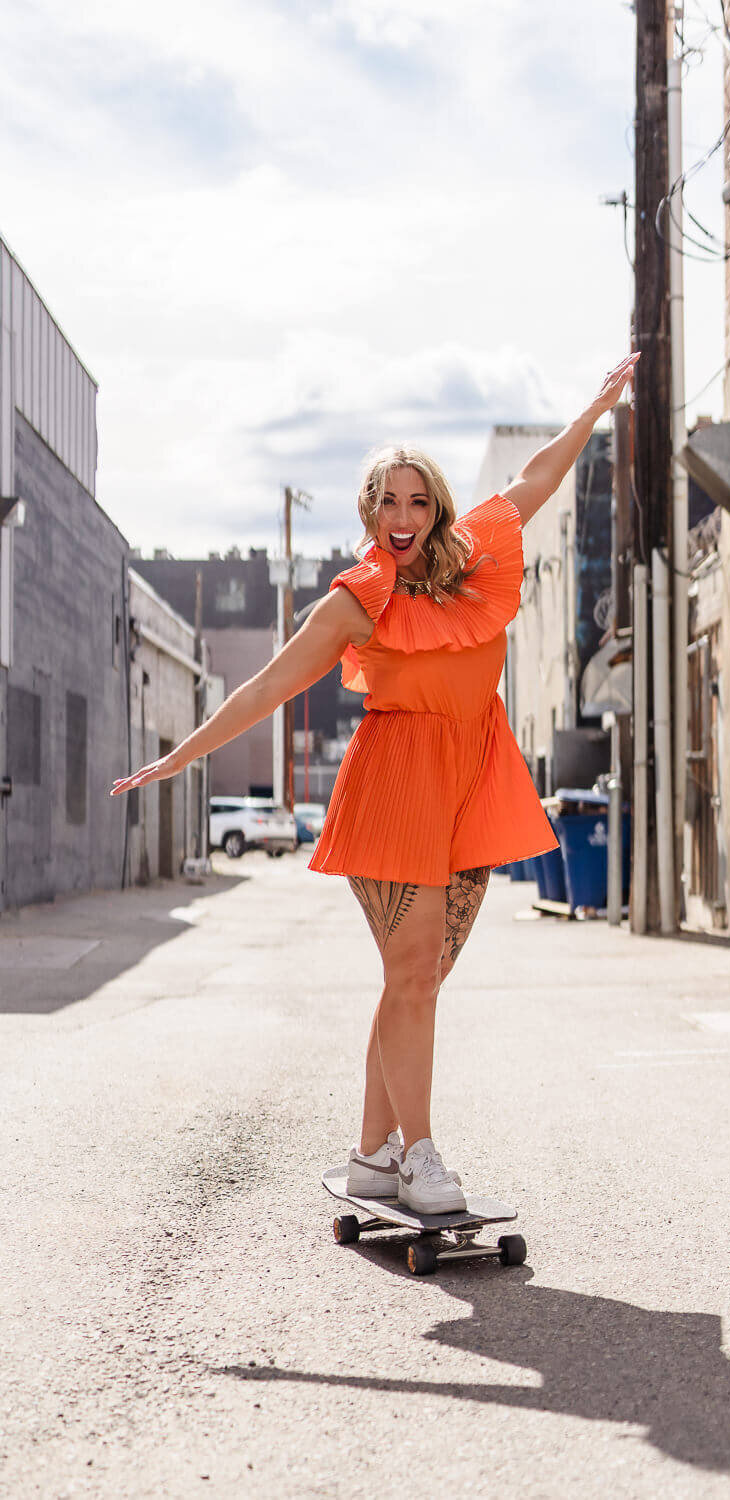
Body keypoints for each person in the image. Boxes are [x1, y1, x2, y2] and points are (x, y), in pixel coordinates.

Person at [111, 352, 639, 1212]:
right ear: (368, 510)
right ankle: (420, 1154)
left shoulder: (478, 561)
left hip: (470, 780)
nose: (402, 516)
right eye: (386, 501)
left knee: (415, 977)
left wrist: (594, 407)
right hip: (396, 790)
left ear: (436, 508)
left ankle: (368, 1158)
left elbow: (537, 475)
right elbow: (268, 685)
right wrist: (183, 756)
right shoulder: (360, 598)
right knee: (414, 977)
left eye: (417, 499)